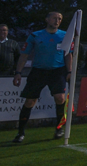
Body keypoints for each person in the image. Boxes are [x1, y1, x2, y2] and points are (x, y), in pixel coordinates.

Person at [11, 12, 73, 143]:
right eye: (55, 18)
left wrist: (70, 71)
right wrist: (18, 72)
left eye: (60, 19)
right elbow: (24, 55)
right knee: (29, 101)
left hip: (57, 72)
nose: (57, 20)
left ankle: (59, 128)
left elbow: (68, 55)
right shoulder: (35, 35)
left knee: (60, 98)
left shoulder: (65, 36)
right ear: (47, 19)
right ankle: (20, 132)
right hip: (38, 71)